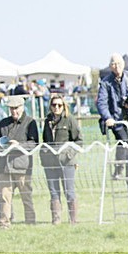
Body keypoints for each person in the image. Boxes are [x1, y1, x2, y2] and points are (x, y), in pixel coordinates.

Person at [96, 53, 128, 182]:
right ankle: (118, 168)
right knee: (124, 143)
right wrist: (108, 118)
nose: (116, 66)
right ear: (110, 66)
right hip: (116, 121)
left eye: (118, 63)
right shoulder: (105, 82)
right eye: (113, 64)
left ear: (123, 65)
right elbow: (101, 103)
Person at [0, 95, 38, 228]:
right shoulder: (3, 123)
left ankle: (30, 222)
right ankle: (5, 223)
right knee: (4, 197)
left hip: (22, 167)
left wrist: (18, 145)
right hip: (4, 166)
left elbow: (34, 143)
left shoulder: (30, 122)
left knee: (26, 196)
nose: (14, 111)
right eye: (11, 108)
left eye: (16, 108)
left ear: (22, 107)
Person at [40, 94, 83, 224]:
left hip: (66, 162)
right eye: (54, 105)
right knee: (53, 191)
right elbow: (45, 140)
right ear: (51, 106)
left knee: (69, 191)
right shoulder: (47, 121)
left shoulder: (70, 119)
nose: (57, 107)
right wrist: (45, 155)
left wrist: (68, 155)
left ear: (63, 106)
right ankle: (56, 220)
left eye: (59, 105)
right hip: (51, 162)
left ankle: (73, 220)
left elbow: (79, 141)